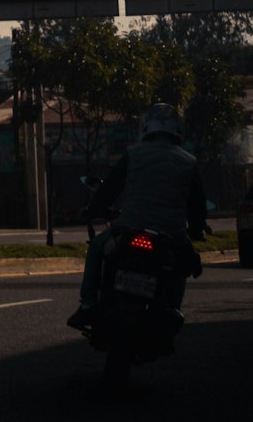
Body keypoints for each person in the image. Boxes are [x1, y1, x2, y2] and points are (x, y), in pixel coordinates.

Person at [67, 101, 209, 330]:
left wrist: (92, 210)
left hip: (129, 225)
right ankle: (171, 308)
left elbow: (110, 188)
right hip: (171, 232)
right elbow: (197, 205)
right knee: (184, 263)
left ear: (146, 129)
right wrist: (196, 228)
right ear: (177, 131)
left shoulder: (134, 154)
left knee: (95, 247)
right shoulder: (188, 161)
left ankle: (88, 305)